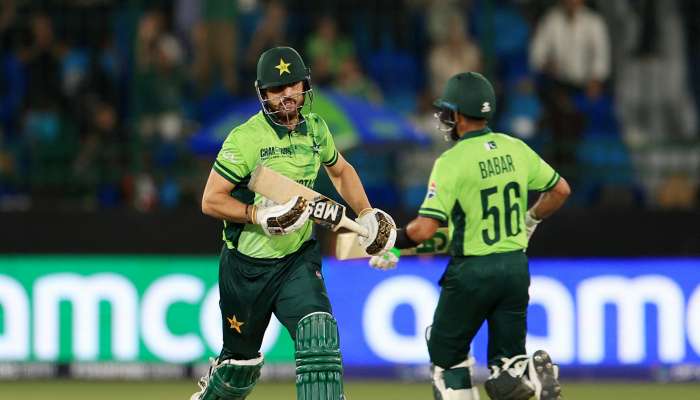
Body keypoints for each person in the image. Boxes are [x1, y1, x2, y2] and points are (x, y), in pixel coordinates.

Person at [191, 46, 396, 400]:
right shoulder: (245, 138)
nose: (287, 94)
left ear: (305, 86)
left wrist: (365, 212)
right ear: (263, 93)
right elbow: (211, 200)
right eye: (277, 88)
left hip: (297, 260)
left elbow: (340, 171)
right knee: (239, 370)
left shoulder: (315, 129)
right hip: (246, 268)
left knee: (319, 337)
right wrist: (257, 215)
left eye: (293, 85)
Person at [370, 72, 570, 400]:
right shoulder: (515, 148)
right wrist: (530, 219)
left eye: (447, 111)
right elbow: (560, 190)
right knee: (506, 375)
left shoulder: (452, 161)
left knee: (445, 357)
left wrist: (391, 240)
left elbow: (424, 229)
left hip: (473, 273)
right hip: (515, 269)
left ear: (460, 115)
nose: (445, 118)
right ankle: (530, 375)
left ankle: (525, 376)